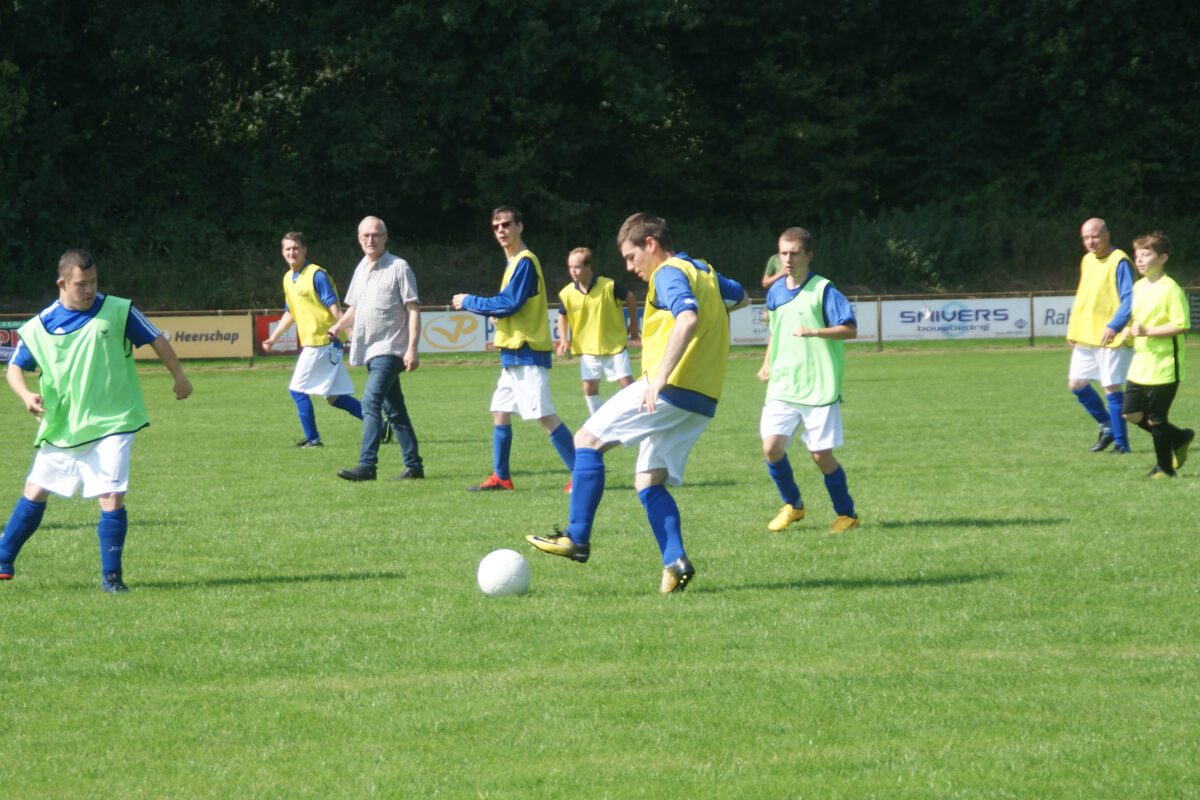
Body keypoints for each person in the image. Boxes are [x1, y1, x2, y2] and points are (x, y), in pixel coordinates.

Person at [526, 213, 747, 593]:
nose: (630, 267)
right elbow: (740, 296)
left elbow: (688, 318)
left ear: (651, 244)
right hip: (703, 398)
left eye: (631, 257)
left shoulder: (668, 272)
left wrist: (658, 379)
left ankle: (576, 537)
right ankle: (675, 562)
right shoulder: (704, 270)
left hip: (670, 388)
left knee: (586, 440)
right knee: (648, 482)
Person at [1, 249, 193, 592]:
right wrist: (26, 395)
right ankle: (3, 559)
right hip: (64, 425)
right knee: (35, 491)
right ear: (62, 283)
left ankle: (112, 578)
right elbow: (14, 368)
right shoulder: (40, 325)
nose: (89, 290)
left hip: (115, 421)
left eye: (93, 282)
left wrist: (179, 377)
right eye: (81, 284)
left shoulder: (118, 310)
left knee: (111, 493)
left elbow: (157, 340)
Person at [452, 205, 575, 492]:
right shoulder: (513, 264)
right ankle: (502, 477)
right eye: (496, 227)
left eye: (506, 224)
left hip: (527, 352)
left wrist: (470, 301)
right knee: (500, 410)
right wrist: (496, 314)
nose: (501, 231)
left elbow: (510, 303)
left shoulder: (524, 261)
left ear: (520, 226)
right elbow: (510, 305)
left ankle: (583, 473)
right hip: (514, 353)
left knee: (544, 415)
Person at [757, 227, 860, 534]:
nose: (787, 259)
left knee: (820, 456)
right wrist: (766, 364)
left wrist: (814, 331)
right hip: (784, 385)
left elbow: (850, 329)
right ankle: (793, 505)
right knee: (771, 447)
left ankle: (847, 514)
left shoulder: (824, 290)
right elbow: (775, 330)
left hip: (819, 387)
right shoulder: (775, 291)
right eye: (783, 253)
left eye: (794, 253)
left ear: (808, 256)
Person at [327, 216, 425, 482]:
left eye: (375, 235)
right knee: (394, 410)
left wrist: (412, 349)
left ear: (385, 237)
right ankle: (414, 466)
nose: (370, 240)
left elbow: (413, 309)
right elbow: (355, 309)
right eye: (365, 236)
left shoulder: (399, 267)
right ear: (359, 239)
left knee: (370, 402)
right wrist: (338, 326)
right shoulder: (361, 269)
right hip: (370, 349)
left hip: (391, 349)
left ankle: (367, 465)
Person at [261, 231, 363, 448]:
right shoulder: (288, 278)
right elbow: (290, 313)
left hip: (323, 342)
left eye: (295, 248)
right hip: (316, 344)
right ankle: (381, 424)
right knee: (333, 397)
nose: (291, 252)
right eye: (288, 249)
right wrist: (273, 338)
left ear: (304, 250)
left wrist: (349, 332)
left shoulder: (316, 275)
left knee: (297, 390)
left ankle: (313, 440)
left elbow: (333, 306)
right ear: (282, 252)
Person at [1120, 231, 1194, 478]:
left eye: (1146, 254)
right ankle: (1180, 437)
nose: (1139, 260)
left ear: (1162, 258)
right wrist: (1129, 332)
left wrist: (1148, 331)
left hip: (1165, 365)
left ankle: (1165, 469)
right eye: (1137, 255)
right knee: (1131, 413)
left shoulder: (1170, 288)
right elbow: (1137, 322)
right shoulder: (1138, 287)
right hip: (1141, 364)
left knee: (1157, 419)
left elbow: (1182, 325)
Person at [1067, 218, 1135, 454]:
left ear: (1107, 235)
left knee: (1111, 387)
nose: (1090, 242)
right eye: (1086, 238)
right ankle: (1107, 426)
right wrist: (1073, 328)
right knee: (1076, 384)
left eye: (1094, 236)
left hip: (1110, 337)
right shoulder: (1087, 260)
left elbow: (1129, 298)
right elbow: (1083, 295)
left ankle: (1121, 444)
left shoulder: (1120, 261)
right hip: (1087, 334)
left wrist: (1114, 325)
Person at [555, 246, 640, 416]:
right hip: (587, 349)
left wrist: (633, 325)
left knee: (626, 384)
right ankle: (598, 421)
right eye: (570, 267)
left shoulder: (608, 285)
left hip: (613, 345)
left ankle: (640, 415)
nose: (573, 271)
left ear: (588, 267)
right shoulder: (567, 293)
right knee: (589, 388)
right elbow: (562, 316)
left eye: (577, 267)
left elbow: (630, 297)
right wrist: (564, 340)